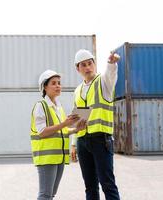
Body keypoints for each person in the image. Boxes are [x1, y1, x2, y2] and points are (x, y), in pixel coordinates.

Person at [70, 49, 120, 200]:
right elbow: (77, 118)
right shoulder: (77, 90)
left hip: (101, 140)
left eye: (90, 63)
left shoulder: (103, 82)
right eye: (83, 65)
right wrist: (73, 143)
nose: (87, 67)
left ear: (94, 64)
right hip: (82, 142)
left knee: (107, 185)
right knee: (90, 187)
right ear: (77, 69)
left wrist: (111, 63)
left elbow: (111, 75)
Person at [30, 69, 86, 200]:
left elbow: (62, 131)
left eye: (59, 83)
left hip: (59, 158)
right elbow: (42, 132)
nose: (58, 86)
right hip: (47, 158)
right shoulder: (41, 106)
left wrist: (75, 129)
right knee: (45, 195)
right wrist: (65, 124)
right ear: (45, 86)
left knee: (51, 194)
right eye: (54, 83)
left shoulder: (58, 107)